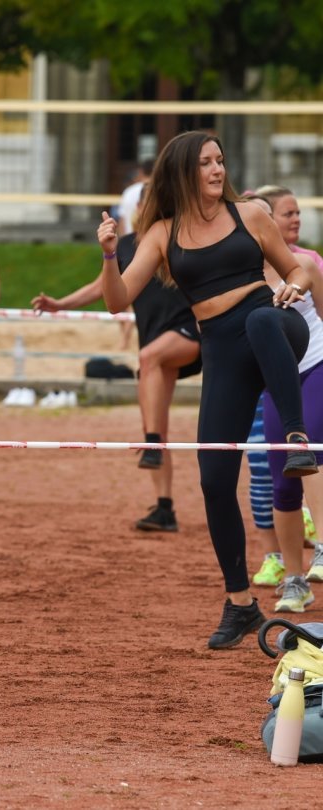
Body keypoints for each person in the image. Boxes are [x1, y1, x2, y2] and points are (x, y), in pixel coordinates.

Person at [97, 130, 317, 650]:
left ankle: (296, 439)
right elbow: (116, 300)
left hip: (278, 328)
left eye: (220, 160)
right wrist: (108, 254)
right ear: (182, 172)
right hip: (222, 351)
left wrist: (297, 284)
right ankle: (240, 603)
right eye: (206, 163)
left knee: (262, 319)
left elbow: (297, 268)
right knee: (215, 479)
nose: (218, 170)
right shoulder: (161, 233)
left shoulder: (250, 215)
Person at [34, 183, 201, 533]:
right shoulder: (127, 246)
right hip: (157, 348)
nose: (146, 206)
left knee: (149, 358)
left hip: (192, 336)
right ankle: (164, 507)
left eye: (153, 200)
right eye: (142, 202)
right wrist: (59, 304)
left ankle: (152, 444)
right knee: (155, 423)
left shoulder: (184, 237)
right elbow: (101, 288)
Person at [248, 195, 323, 612]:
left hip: (317, 365)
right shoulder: (241, 280)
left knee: (309, 453)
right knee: (282, 482)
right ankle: (295, 581)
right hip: (277, 382)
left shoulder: (305, 264)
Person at [117, 159, 154, 236]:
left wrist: (122, 243)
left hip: (129, 239)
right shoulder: (157, 190)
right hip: (150, 239)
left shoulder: (128, 191)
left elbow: (122, 220)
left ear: (140, 172)